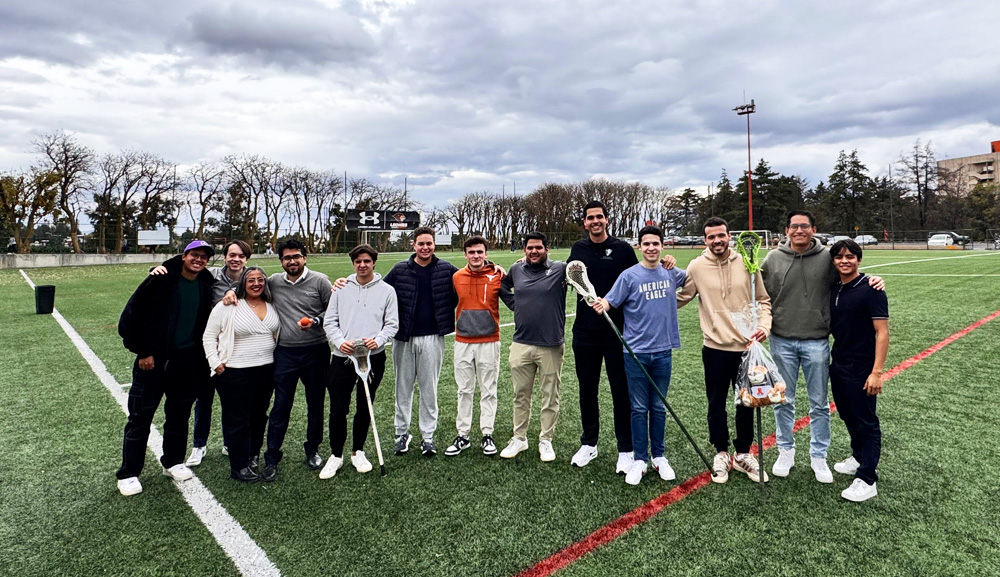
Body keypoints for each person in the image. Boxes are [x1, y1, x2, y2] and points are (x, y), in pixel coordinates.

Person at [761, 211, 883, 482]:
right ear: (787, 230)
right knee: (784, 400)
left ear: (813, 229)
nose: (799, 230)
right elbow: (761, 295)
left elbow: (849, 272)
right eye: (795, 226)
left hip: (816, 341)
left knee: (819, 404)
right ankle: (786, 451)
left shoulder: (827, 258)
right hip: (781, 340)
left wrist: (873, 279)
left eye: (805, 226)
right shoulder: (773, 259)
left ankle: (819, 456)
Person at [225, 240, 332, 481]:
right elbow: (249, 286)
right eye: (287, 258)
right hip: (284, 353)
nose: (292, 261)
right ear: (281, 261)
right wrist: (231, 291)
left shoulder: (320, 281)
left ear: (305, 258)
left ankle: (313, 449)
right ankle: (271, 457)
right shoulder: (273, 282)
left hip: (316, 351)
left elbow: (333, 310)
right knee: (280, 406)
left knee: (315, 403)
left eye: (296, 257)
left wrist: (315, 321)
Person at [115, 240, 215, 496]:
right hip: (153, 363)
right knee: (140, 419)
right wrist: (144, 351)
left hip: (187, 363)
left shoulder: (206, 283)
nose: (199, 260)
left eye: (204, 257)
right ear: (184, 256)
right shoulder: (159, 279)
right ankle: (128, 473)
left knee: (179, 416)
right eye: (195, 255)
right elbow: (129, 319)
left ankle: (172, 462)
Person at [676, 217, 771, 484]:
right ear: (705, 240)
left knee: (747, 403)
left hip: (747, 348)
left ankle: (742, 454)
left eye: (721, 235)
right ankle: (721, 452)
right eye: (711, 237)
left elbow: (763, 299)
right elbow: (682, 298)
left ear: (729, 236)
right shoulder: (696, 267)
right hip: (715, 348)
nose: (717, 241)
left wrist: (764, 325)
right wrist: (645, 304)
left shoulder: (747, 262)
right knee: (716, 403)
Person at [593, 226, 685, 485]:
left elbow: (693, 280)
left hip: (663, 351)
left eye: (656, 243)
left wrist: (673, 264)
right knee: (638, 407)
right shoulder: (629, 276)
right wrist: (602, 305)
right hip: (635, 352)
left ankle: (659, 456)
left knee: (658, 406)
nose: (651, 248)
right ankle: (640, 459)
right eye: (646, 244)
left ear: (662, 246)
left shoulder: (671, 273)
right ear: (640, 247)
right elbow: (611, 301)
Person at [152, 240, 253, 466]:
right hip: (205, 349)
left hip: (236, 350)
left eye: (241, 256)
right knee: (203, 400)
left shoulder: (253, 278)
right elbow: (183, 267)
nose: (235, 259)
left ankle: (229, 442)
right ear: (225, 257)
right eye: (231, 255)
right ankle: (199, 446)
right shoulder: (212, 274)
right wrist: (158, 269)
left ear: (247, 259)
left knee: (231, 401)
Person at [567, 200, 639, 473]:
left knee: (621, 391)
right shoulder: (578, 248)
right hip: (585, 333)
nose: (595, 221)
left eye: (599, 217)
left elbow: (638, 278)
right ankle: (589, 443)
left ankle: (625, 448)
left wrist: (666, 263)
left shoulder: (622, 249)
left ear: (606, 220)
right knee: (588, 390)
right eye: (590, 218)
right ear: (585, 223)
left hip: (617, 331)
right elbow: (570, 276)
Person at [319, 245, 399, 478]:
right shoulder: (341, 288)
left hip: (373, 358)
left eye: (366, 261)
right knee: (338, 408)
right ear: (353, 263)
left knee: (365, 405)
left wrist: (378, 340)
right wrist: (339, 341)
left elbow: (392, 324)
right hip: (342, 358)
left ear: (374, 262)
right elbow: (330, 321)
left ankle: (358, 451)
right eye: (358, 262)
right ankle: (336, 455)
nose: (362, 265)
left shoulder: (387, 291)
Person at [383, 227, 458, 456]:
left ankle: (428, 436)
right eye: (421, 244)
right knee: (402, 388)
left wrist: (494, 267)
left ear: (434, 245)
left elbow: (471, 276)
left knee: (429, 389)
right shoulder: (399, 270)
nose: (425, 247)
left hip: (433, 338)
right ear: (413, 245)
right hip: (403, 339)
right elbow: (379, 292)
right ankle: (401, 433)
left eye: (429, 243)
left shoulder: (446, 269)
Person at [202, 267, 279, 482]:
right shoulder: (228, 305)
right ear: (243, 282)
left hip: (266, 370)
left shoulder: (272, 305)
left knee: (258, 415)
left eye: (260, 280)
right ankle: (238, 465)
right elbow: (209, 336)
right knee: (238, 418)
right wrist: (215, 362)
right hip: (235, 372)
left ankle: (252, 455)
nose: (256, 284)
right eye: (251, 280)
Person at [498, 232, 568, 462]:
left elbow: (581, 272)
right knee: (521, 394)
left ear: (547, 248)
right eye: (530, 248)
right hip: (521, 343)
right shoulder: (517, 269)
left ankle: (545, 440)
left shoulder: (560, 269)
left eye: (538, 247)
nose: (534, 251)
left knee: (550, 395)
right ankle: (519, 438)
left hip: (550, 344)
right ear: (524, 250)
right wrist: (515, 304)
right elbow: (502, 287)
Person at [828, 239, 889, 502]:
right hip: (839, 364)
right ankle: (858, 456)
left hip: (862, 367)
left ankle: (867, 478)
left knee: (867, 421)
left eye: (850, 257)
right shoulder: (834, 288)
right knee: (847, 415)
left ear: (859, 260)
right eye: (840, 257)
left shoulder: (871, 289)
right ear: (833, 261)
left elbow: (882, 333)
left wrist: (876, 372)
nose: (845, 261)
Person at [444, 236, 503, 457]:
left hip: (489, 340)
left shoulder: (497, 275)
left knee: (488, 390)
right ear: (465, 254)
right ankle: (463, 435)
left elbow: (515, 298)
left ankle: (487, 434)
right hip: (463, 341)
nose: (476, 256)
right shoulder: (457, 276)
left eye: (480, 252)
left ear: (486, 254)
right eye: (471, 252)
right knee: (464, 390)